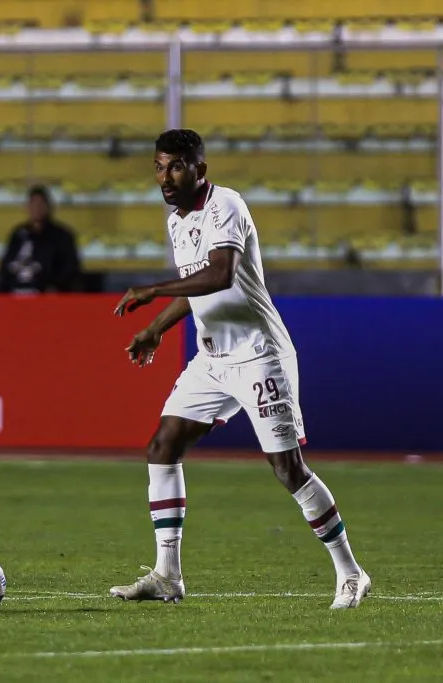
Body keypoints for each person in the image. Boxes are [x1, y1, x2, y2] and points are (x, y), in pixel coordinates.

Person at [108, 129, 370, 609]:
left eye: (177, 167)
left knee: (287, 469)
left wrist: (151, 290)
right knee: (162, 446)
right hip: (212, 359)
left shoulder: (225, 205)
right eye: (160, 167)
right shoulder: (177, 221)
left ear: (200, 170)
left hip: (258, 355)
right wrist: (157, 328)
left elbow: (221, 273)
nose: (166, 177)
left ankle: (351, 572)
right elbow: (197, 288)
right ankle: (168, 574)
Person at [0, 185, 82, 294]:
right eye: (33, 204)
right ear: (27, 207)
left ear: (48, 207)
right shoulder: (18, 234)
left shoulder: (62, 236)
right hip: (15, 293)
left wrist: (55, 287)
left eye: (40, 204)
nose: (36, 208)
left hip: (46, 295)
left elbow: (70, 268)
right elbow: (6, 264)